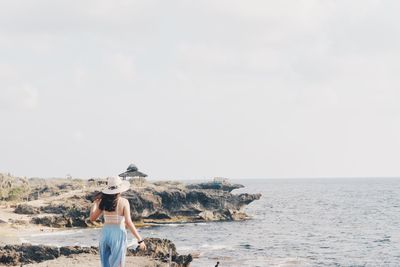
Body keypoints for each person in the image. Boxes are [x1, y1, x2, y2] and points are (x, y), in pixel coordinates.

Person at [89, 176, 146, 267]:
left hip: (105, 234)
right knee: (117, 264)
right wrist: (140, 240)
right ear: (120, 189)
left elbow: (92, 218)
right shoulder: (124, 202)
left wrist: (95, 203)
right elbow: (128, 222)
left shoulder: (102, 202)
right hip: (118, 234)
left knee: (105, 264)